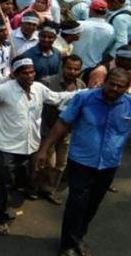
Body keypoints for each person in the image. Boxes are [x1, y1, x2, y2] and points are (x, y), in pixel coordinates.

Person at [36, 68, 131, 256]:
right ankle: (67, 245)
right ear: (105, 82)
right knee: (77, 203)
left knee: (92, 204)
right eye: (111, 84)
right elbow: (62, 123)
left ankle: (78, 237)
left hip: (108, 164)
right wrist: (44, 149)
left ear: (127, 88)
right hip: (81, 161)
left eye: (120, 86)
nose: (114, 89)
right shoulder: (85, 98)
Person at [0, 57, 82, 235]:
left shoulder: (39, 89)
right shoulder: (3, 90)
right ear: (15, 74)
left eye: (32, 72)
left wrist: (84, 94)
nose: (30, 76)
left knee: (21, 179)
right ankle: (2, 217)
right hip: (5, 147)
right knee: (5, 182)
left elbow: (57, 97)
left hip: (30, 146)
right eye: (25, 73)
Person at [34, 54, 86, 204]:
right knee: (47, 161)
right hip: (48, 129)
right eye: (69, 68)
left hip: (67, 131)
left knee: (61, 163)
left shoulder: (81, 86)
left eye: (76, 69)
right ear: (62, 67)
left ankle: (49, 189)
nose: (72, 71)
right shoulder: (48, 83)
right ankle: (34, 186)